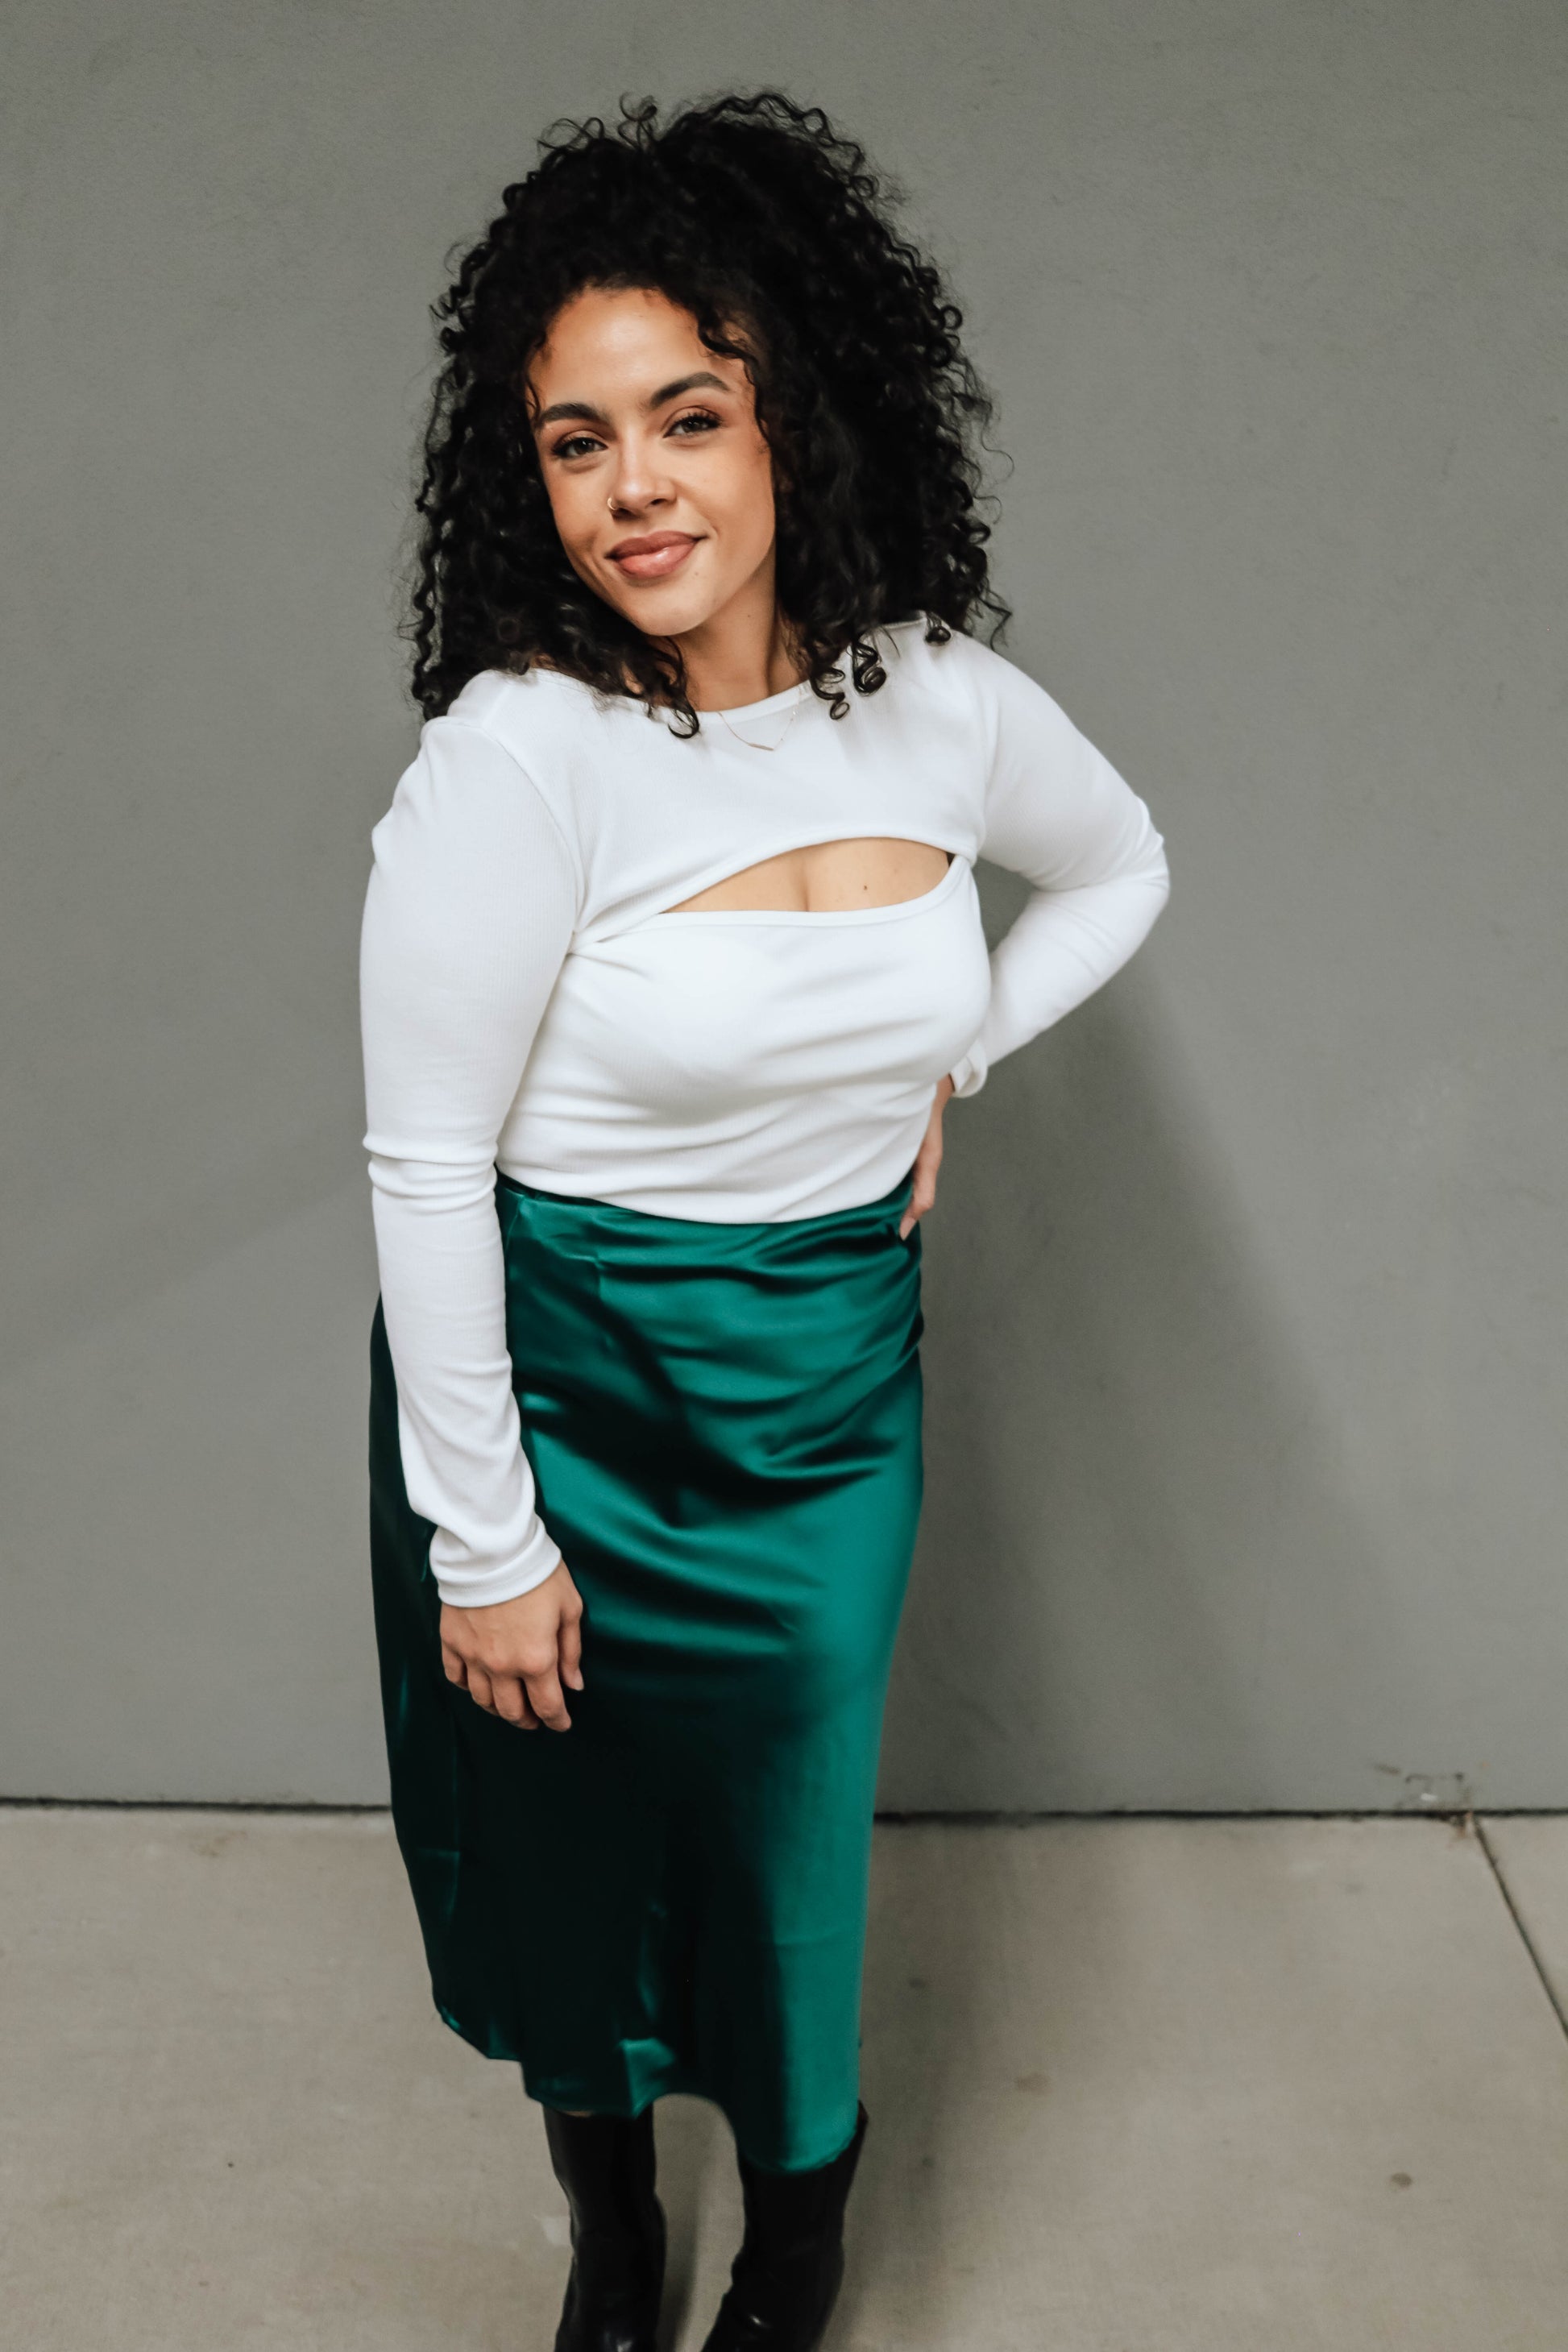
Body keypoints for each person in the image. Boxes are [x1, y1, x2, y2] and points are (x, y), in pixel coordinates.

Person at [359, 91, 1169, 2352]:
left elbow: (1121, 865)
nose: (636, 487)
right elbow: (423, 1165)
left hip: (823, 1389)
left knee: (790, 1846)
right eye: (577, 441)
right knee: (565, 1848)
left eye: (688, 417)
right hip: (565, 1388)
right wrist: (484, 1540)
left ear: (794, 412)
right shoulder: (521, 756)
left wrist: (954, 1051)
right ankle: (614, 2239)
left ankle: (800, 2241)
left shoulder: (939, 704)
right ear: (527, 476)